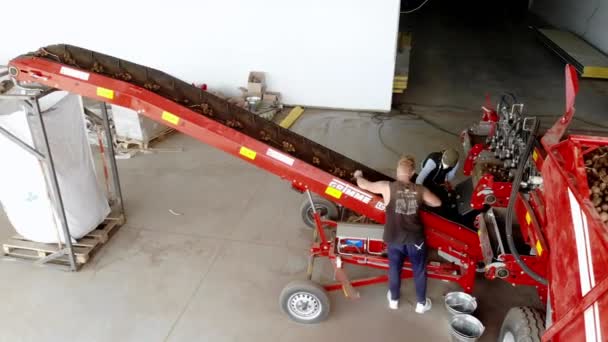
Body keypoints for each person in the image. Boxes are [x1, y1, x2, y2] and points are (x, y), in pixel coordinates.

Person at [353, 155, 441, 313]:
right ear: (413, 172)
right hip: (415, 240)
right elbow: (437, 202)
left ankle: (393, 300)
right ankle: (421, 304)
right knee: (419, 270)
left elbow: (364, 185)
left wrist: (358, 175)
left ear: (397, 171)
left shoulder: (386, 187)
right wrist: (422, 199)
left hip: (394, 239)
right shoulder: (420, 190)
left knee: (394, 268)